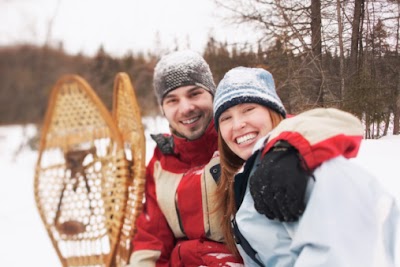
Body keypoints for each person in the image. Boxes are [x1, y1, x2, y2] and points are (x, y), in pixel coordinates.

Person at [213, 66, 400, 266]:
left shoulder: (309, 167)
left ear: (273, 113)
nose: (237, 124)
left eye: (248, 109)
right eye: (226, 118)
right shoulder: (246, 174)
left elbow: (347, 253)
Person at [127, 50, 244, 266]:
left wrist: (288, 148)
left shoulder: (241, 139)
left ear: (212, 94)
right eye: (172, 100)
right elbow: (152, 239)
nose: (186, 108)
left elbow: (293, 129)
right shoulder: (161, 162)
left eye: (194, 94)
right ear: (163, 109)